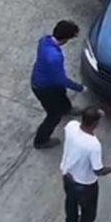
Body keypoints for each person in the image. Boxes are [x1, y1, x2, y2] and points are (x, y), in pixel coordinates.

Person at [60, 107, 111, 222]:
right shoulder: (93, 145)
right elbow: (97, 170)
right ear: (95, 123)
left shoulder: (71, 126)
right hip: (85, 185)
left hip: (68, 176)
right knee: (88, 214)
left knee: (71, 201)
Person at [31, 20, 84, 149]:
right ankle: (41, 140)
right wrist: (80, 88)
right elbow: (62, 80)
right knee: (54, 115)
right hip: (43, 87)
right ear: (66, 38)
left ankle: (66, 108)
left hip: (46, 80)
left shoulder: (45, 40)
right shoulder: (54, 57)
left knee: (61, 93)